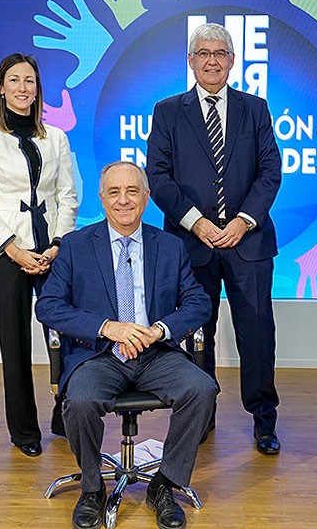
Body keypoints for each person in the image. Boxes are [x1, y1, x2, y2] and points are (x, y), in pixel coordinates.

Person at [36, 162, 216, 529]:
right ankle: (92, 488)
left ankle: (165, 484)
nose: (123, 201)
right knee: (81, 401)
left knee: (202, 389)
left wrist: (160, 329)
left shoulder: (170, 246)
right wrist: (107, 327)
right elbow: (48, 305)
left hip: (155, 354)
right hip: (100, 355)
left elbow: (199, 302)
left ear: (147, 197)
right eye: (114, 192)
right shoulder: (75, 246)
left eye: (132, 191)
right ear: (102, 199)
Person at [146, 23, 283, 454]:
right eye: (202, 53)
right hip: (191, 245)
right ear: (190, 61)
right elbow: (158, 177)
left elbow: (269, 172)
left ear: (232, 61)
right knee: (194, 334)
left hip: (249, 244)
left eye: (220, 53)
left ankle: (264, 420)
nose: (211, 60)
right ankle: (199, 414)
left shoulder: (255, 109)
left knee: (257, 334)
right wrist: (196, 223)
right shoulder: (168, 111)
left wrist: (243, 221)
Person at [0, 53, 77, 457]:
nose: (23, 88)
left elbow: (68, 195)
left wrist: (59, 243)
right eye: (15, 80)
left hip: (52, 250)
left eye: (30, 81)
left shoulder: (57, 138)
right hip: (4, 251)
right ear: (1, 87)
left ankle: (68, 417)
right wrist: (14, 249)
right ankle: (24, 432)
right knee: (13, 341)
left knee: (67, 336)